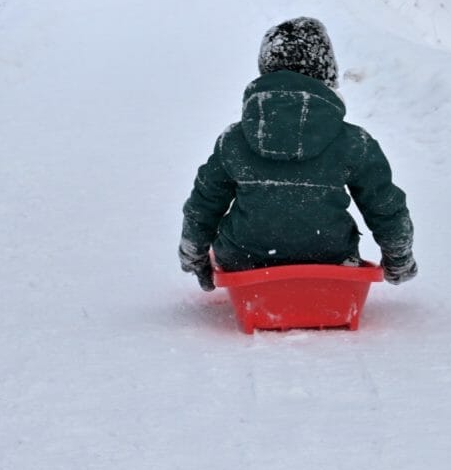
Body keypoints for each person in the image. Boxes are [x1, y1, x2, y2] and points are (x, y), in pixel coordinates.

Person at [177, 17, 418, 292]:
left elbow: (204, 204)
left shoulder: (234, 140)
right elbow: (385, 207)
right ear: (327, 73)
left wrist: (195, 257)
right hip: (330, 260)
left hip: (245, 261)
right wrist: (398, 260)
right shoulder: (354, 142)